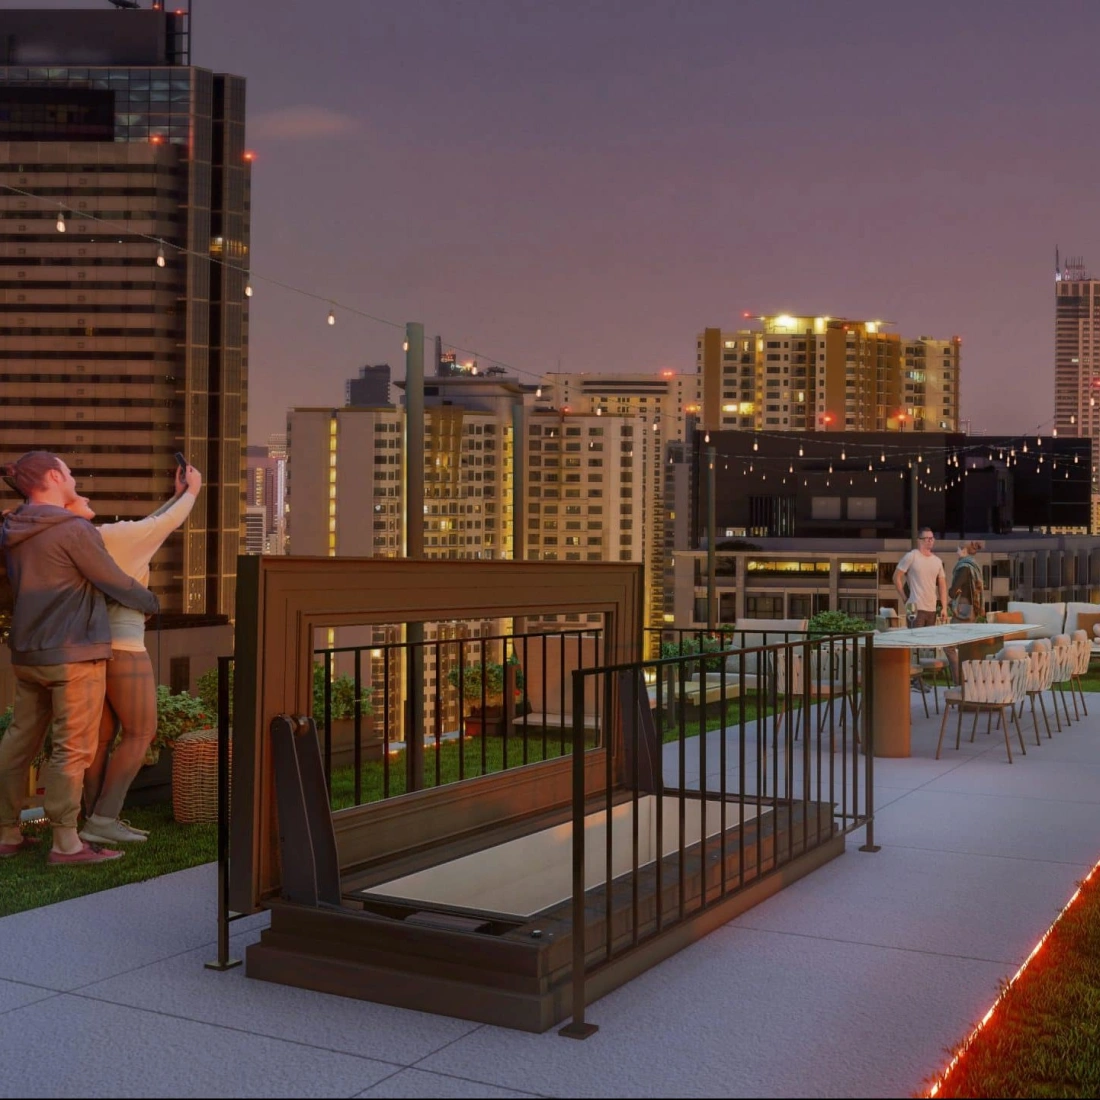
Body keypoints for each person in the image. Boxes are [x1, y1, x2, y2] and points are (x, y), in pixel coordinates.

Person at [0, 451, 159, 865]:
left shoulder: (11, 527)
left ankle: (6, 831)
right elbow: (112, 579)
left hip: (27, 651)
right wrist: (149, 601)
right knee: (73, 748)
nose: (72, 478)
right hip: (73, 653)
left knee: (19, 743)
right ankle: (66, 842)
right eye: (68, 473)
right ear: (53, 476)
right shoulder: (72, 529)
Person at [64, 462, 201, 845]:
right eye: (79, 496)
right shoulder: (110, 535)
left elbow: (147, 528)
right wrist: (191, 492)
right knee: (142, 731)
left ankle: (92, 818)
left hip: (88, 645)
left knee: (102, 737)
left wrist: (175, 495)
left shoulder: (80, 540)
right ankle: (105, 818)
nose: (86, 496)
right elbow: (159, 527)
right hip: (124, 645)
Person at [893, 527, 948, 628]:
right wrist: (905, 598)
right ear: (920, 540)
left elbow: (942, 586)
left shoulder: (937, 561)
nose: (930, 540)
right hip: (914, 606)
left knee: (928, 642)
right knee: (915, 641)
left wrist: (944, 607)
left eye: (932, 538)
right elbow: (896, 577)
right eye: (927, 538)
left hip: (932, 608)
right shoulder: (911, 556)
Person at [948, 540, 985, 624]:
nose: (957, 552)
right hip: (972, 606)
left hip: (963, 607)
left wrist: (951, 591)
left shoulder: (964, 568)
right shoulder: (973, 566)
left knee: (956, 633)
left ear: (964, 550)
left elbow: (952, 592)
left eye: (958, 550)